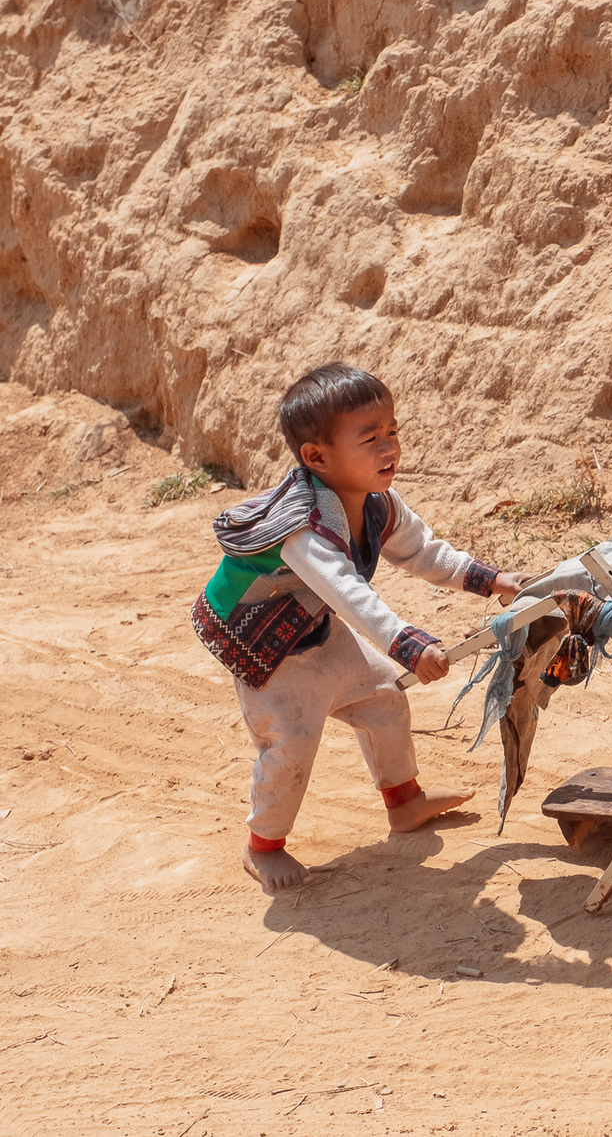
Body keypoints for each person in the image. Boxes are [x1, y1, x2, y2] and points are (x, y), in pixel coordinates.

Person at [191, 364, 530, 891]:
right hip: (265, 643)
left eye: (391, 431)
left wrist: (493, 580)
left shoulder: (377, 504)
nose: (388, 446)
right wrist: (409, 645)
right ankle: (263, 845)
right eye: (369, 438)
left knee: (384, 700)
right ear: (317, 457)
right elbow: (349, 594)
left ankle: (405, 802)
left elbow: (422, 551)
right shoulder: (302, 528)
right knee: (292, 740)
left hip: (313, 627)